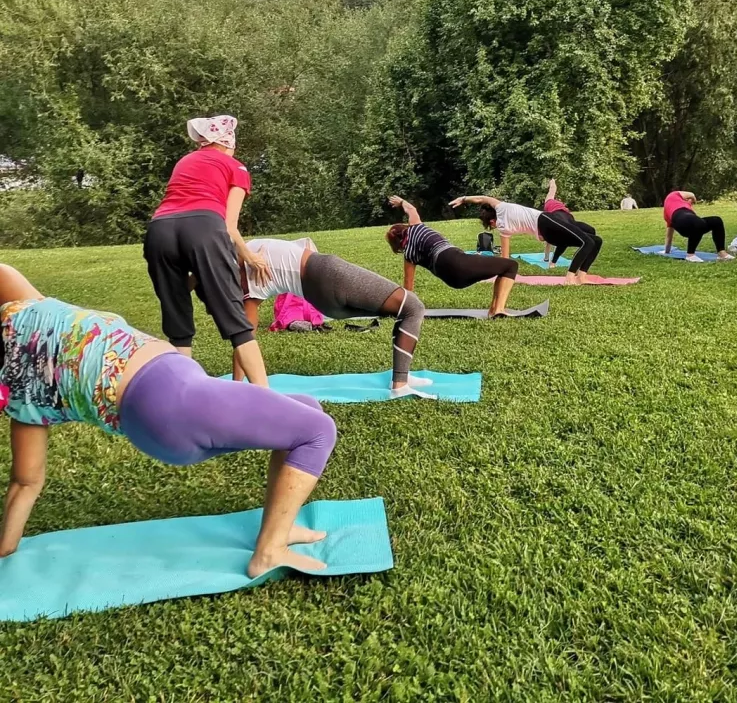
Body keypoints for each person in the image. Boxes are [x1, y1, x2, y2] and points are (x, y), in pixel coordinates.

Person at [0, 264, 336, 577]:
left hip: (155, 428)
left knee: (306, 409)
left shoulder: (20, 395)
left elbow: (25, 483)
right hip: (174, 397)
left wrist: (5, 548)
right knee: (317, 431)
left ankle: (279, 527)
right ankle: (269, 551)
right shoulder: (22, 308)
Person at [143, 116, 271, 387]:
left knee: (176, 315)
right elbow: (229, 226)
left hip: (159, 230)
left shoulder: (185, 161)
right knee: (236, 319)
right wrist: (249, 256)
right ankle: (265, 395)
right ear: (228, 143)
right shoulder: (236, 166)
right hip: (203, 227)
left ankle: (182, 393)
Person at [239, 235, 434, 400]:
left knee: (402, 310)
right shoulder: (249, 264)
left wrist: (236, 385)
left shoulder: (249, 276)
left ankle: (401, 376)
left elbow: (244, 339)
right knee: (413, 307)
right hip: (329, 274)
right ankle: (400, 384)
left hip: (325, 302)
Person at [386, 197, 518, 317]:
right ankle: (498, 310)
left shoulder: (409, 255)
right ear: (405, 227)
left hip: (453, 280)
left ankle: (494, 310)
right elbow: (411, 209)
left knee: (502, 267)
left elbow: (408, 287)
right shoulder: (416, 227)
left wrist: (405, 311)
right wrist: (401, 202)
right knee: (511, 266)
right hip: (455, 260)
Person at [450, 192, 601, 286]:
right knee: (587, 242)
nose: (494, 227)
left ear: (491, 221)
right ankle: (570, 278)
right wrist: (463, 199)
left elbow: (505, 258)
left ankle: (581, 277)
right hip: (545, 221)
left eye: (491, 226)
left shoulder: (503, 228)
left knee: (595, 241)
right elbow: (481, 198)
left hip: (547, 234)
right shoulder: (501, 207)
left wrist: (498, 272)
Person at [540, 179, 601, 267]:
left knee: (591, 230)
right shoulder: (548, 202)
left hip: (570, 220)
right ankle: (552, 262)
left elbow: (553, 189)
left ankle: (583, 250)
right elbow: (552, 189)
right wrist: (552, 182)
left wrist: (552, 182)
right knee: (565, 237)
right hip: (562, 219)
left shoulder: (551, 202)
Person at [663, 191, 735, 262]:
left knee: (716, 221)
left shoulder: (687, 207)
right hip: (681, 219)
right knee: (697, 223)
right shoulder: (674, 195)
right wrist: (693, 200)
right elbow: (692, 194)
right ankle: (690, 255)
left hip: (692, 223)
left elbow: (669, 235)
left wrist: (667, 251)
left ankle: (721, 253)